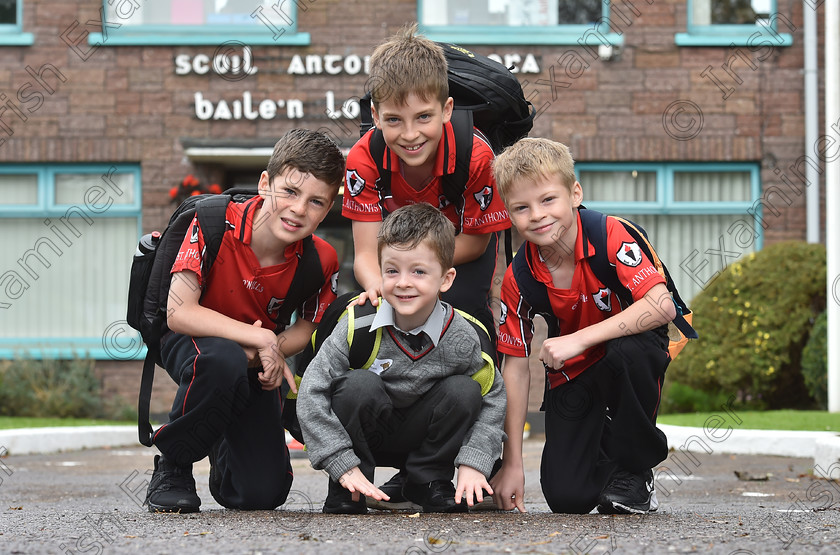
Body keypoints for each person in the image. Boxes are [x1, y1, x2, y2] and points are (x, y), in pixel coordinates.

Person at [341, 23, 510, 505]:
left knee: (465, 358)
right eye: (393, 119)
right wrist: (383, 288)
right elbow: (365, 255)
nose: (409, 134)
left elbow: (478, 241)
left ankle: (449, 466)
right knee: (381, 351)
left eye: (423, 117)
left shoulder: (477, 156)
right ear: (375, 115)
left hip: (460, 256)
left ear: (447, 110)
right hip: (391, 265)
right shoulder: (364, 158)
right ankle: (369, 469)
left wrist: (422, 269)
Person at [144, 129, 345, 513]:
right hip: (190, 341)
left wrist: (270, 349)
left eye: (316, 201)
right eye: (290, 191)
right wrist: (261, 341)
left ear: (328, 206)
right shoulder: (211, 221)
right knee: (222, 359)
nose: (300, 209)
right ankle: (174, 464)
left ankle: (221, 435)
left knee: (259, 496)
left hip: (252, 360)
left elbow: (306, 328)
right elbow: (179, 311)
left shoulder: (322, 259)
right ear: (265, 183)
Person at [488, 138, 677, 515]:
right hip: (575, 373)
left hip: (627, 353)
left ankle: (634, 472)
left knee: (629, 350)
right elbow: (515, 367)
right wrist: (512, 464)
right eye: (521, 208)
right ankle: (609, 449)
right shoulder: (519, 277)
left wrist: (577, 339)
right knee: (567, 498)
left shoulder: (610, 234)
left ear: (575, 193)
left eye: (547, 200)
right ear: (509, 214)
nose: (538, 215)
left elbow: (662, 306)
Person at [296, 202, 506, 514]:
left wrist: (475, 460)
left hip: (427, 436)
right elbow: (311, 391)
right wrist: (339, 461)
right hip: (366, 437)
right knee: (357, 386)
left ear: (446, 279)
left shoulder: (464, 335)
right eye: (392, 271)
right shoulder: (357, 324)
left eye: (419, 271)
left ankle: (428, 481)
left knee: (465, 390)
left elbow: (494, 398)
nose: (403, 282)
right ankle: (349, 487)